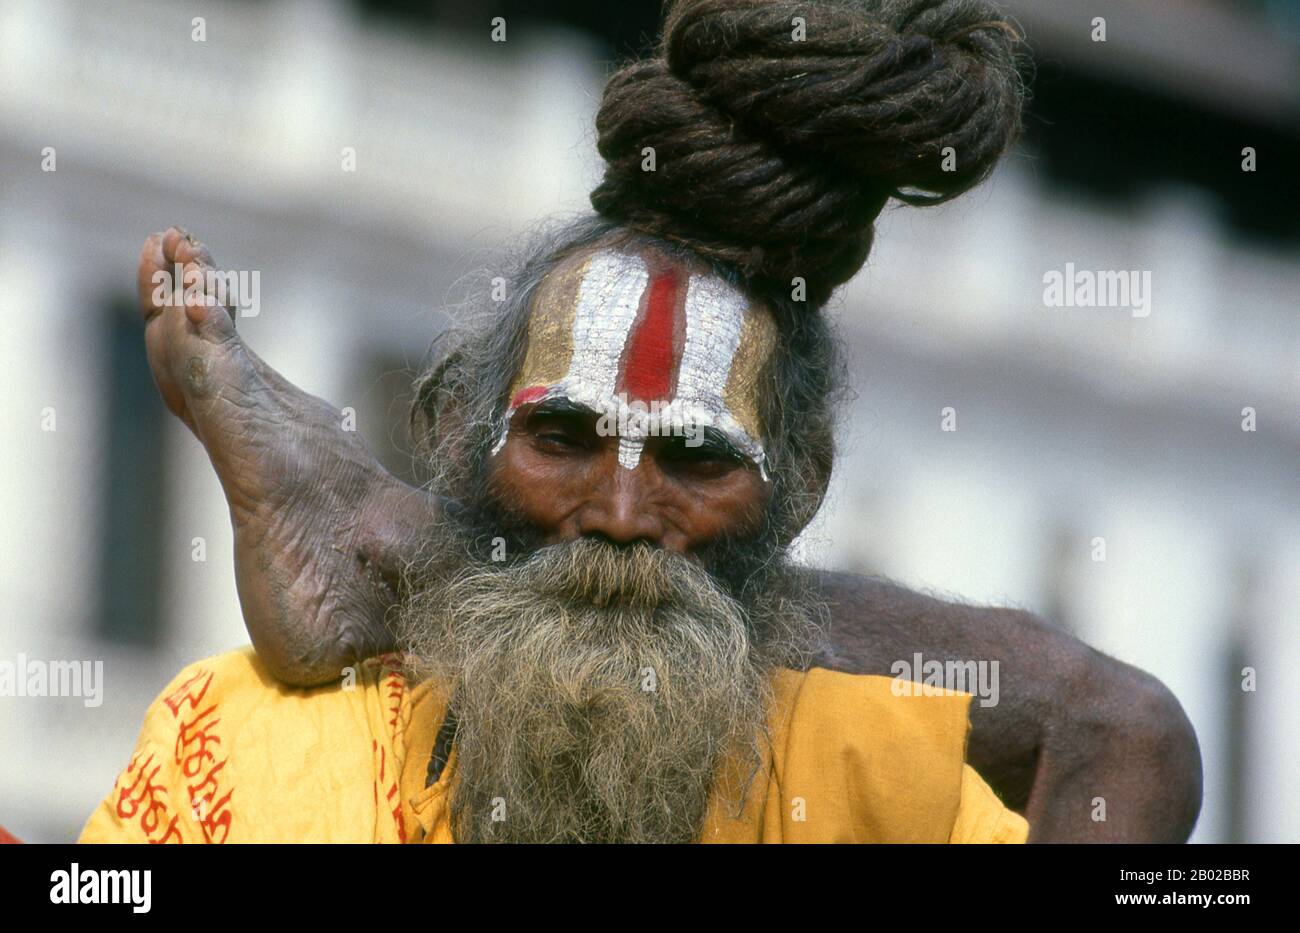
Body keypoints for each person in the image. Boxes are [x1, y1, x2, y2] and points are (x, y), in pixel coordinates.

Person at [80, 0, 1200, 843]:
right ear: (457, 430)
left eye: (695, 459)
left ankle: (390, 539)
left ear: (800, 485)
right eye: (561, 440)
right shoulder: (239, 751)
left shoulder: (873, 774)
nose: (620, 510)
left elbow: (1131, 745)